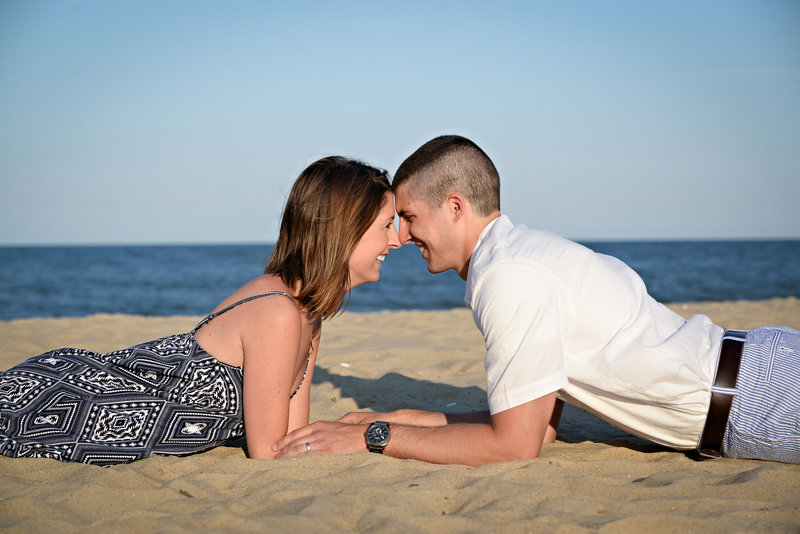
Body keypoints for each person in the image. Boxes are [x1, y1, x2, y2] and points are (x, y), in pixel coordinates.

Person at [273, 135, 800, 466]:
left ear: (454, 206)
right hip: (750, 383)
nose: (403, 236)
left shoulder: (509, 277)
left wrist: (373, 438)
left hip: (760, 398)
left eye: (409, 217)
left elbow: (515, 447)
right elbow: (536, 425)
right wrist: (386, 418)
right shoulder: (518, 258)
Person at [0, 156, 400, 466]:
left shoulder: (307, 313)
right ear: (345, 228)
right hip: (82, 405)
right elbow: (270, 453)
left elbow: (293, 437)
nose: (396, 240)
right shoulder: (277, 312)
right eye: (385, 225)